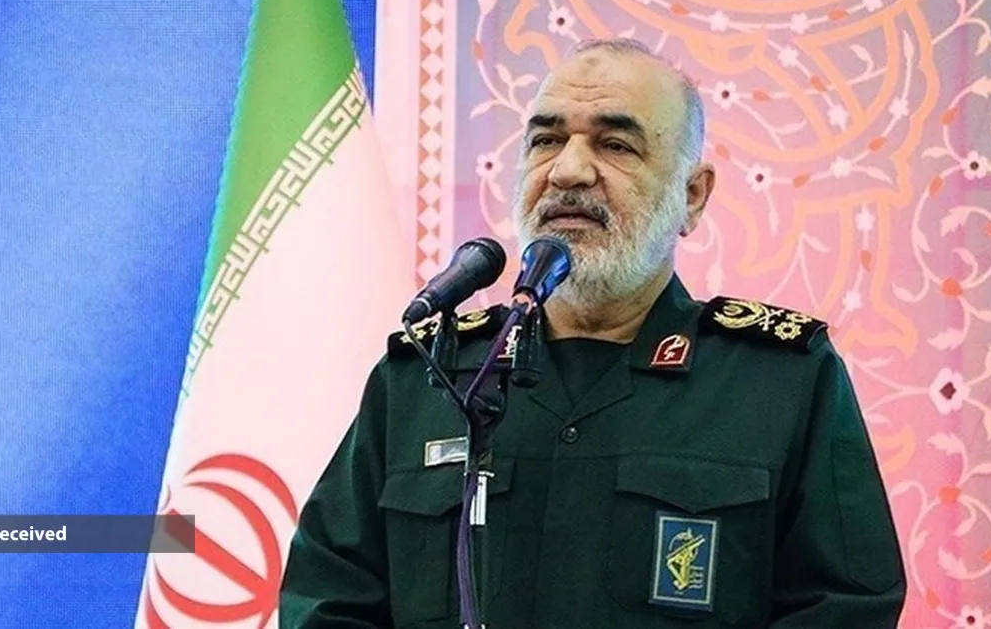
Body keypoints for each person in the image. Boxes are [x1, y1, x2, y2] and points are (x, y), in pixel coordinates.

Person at [278, 38, 906, 627]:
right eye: (546, 141)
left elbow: (844, 608)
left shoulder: (781, 381)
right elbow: (329, 596)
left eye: (616, 145)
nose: (568, 171)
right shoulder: (428, 375)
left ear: (692, 196)